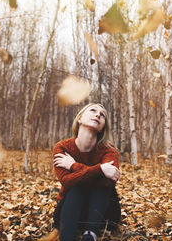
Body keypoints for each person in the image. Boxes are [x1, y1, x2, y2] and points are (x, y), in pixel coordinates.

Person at [52, 103, 121, 241]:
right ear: (79, 118)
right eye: (93, 110)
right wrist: (100, 169)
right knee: (76, 186)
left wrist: (73, 165)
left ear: (103, 127)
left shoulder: (109, 149)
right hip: (69, 210)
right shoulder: (63, 147)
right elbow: (66, 181)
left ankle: (90, 235)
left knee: (101, 185)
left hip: (103, 213)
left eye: (102, 115)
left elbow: (109, 180)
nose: (98, 115)